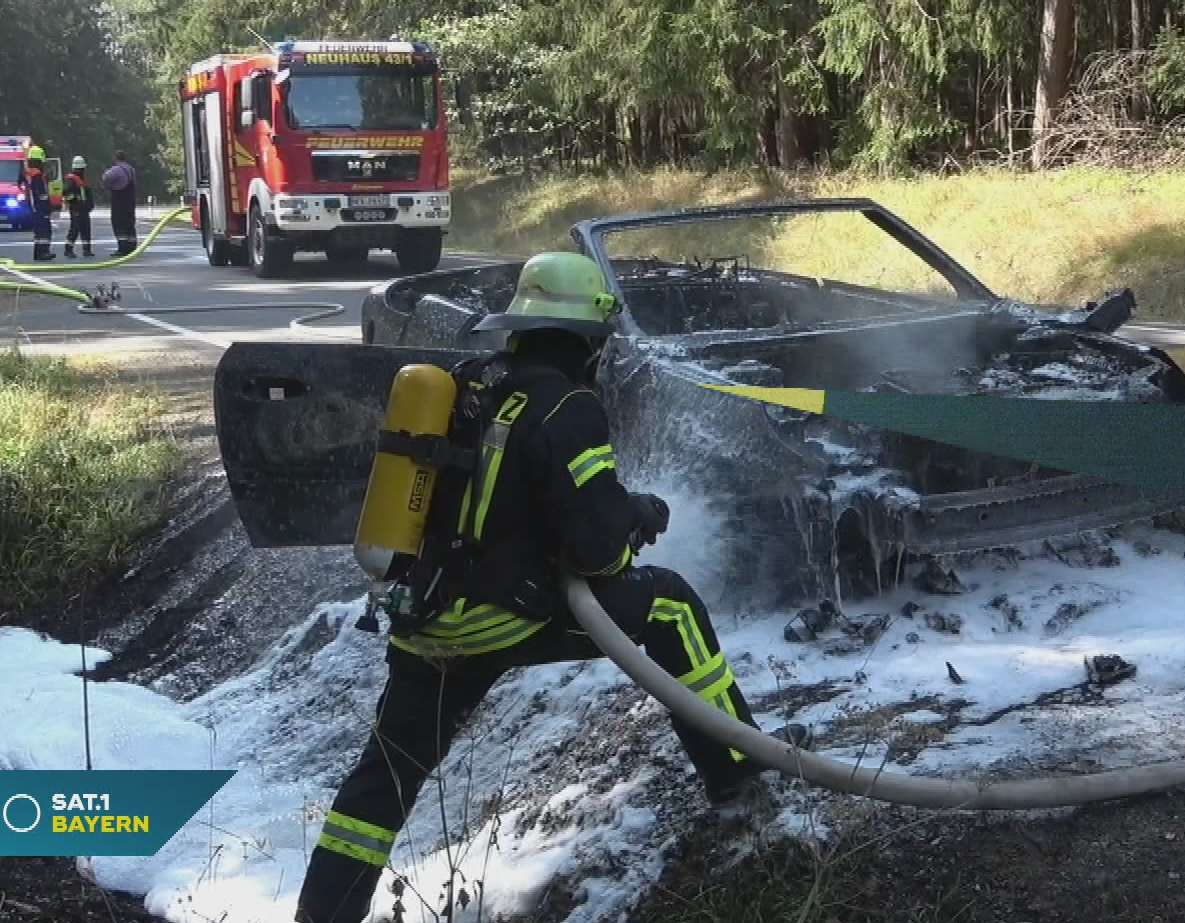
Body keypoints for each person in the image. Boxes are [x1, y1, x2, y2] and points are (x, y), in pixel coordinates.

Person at [293, 251, 807, 923]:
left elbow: (505, 501)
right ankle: (739, 775)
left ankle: (321, 914)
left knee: (381, 784)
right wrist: (635, 519)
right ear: (586, 341)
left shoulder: (472, 382)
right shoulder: (568, 405)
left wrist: (614, 506)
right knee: (673, 606)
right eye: (600, 343)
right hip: (504, 617)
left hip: (426, 618)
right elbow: (595, 554)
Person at [103, 151, 137, 257]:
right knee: (129, 223)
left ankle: (122, 247)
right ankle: (132, 246)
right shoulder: (131, 169)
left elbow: (106, 178)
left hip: (119, 200)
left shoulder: (116, 169)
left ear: (116, 159)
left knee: (119, 223)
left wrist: (105, 174)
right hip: (130, 200)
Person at [24, 145, 54, 261]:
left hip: (35, 208)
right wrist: (47, 206)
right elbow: (41, 193)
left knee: (40, 232)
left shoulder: (31, 174)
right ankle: (42, 253)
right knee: (44, 230)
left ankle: (40, 252)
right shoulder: (37, 176)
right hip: (40, 208)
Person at [62, 155, 94, 258]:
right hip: (76, 208)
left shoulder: (82, 179)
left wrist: (89, 204)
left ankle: (87, 250)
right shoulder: (71, 179)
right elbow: (66, 194)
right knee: (74, 229)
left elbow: (87, 193)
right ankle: (68, 250)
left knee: (86, 229)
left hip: (84, 209)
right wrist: (75, 199)